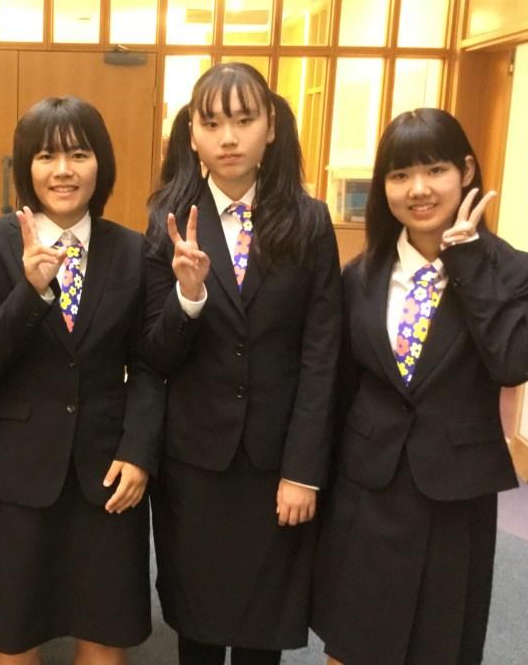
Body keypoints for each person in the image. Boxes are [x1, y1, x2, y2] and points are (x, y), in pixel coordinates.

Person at [311, 107, 528, 665]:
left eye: (435, 170)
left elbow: (514, 362)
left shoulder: (519, 271)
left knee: (438, 645)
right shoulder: (360, 276)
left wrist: (466, 262)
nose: (418, 189)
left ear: (465, 171)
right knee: (352, 641)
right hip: (369, 483)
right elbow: (340, 387)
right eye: (400, 175)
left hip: (455, 493)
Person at [143, 62, 341, 665]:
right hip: (194, 463)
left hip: (275, 463)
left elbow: (321, 354)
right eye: (212, 123)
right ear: (192, 135)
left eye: (244, 120)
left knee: (263, 632)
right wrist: (189, 297)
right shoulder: (168, 219)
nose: (228, 138)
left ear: (271, 126)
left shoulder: (309, 220)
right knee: (197, 629)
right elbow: (154, 352)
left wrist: (304, 470)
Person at [0, 96, 164, 665]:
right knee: (13, 637)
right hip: (18, 472)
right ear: (26, 166)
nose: (63, 170)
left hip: (107, 470)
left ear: (101, 164)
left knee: (103, 635)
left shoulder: (133, 249)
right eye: (47, 156)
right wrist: (30, 292)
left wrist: (140, 451)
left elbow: (149, 364)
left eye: (79, 155)